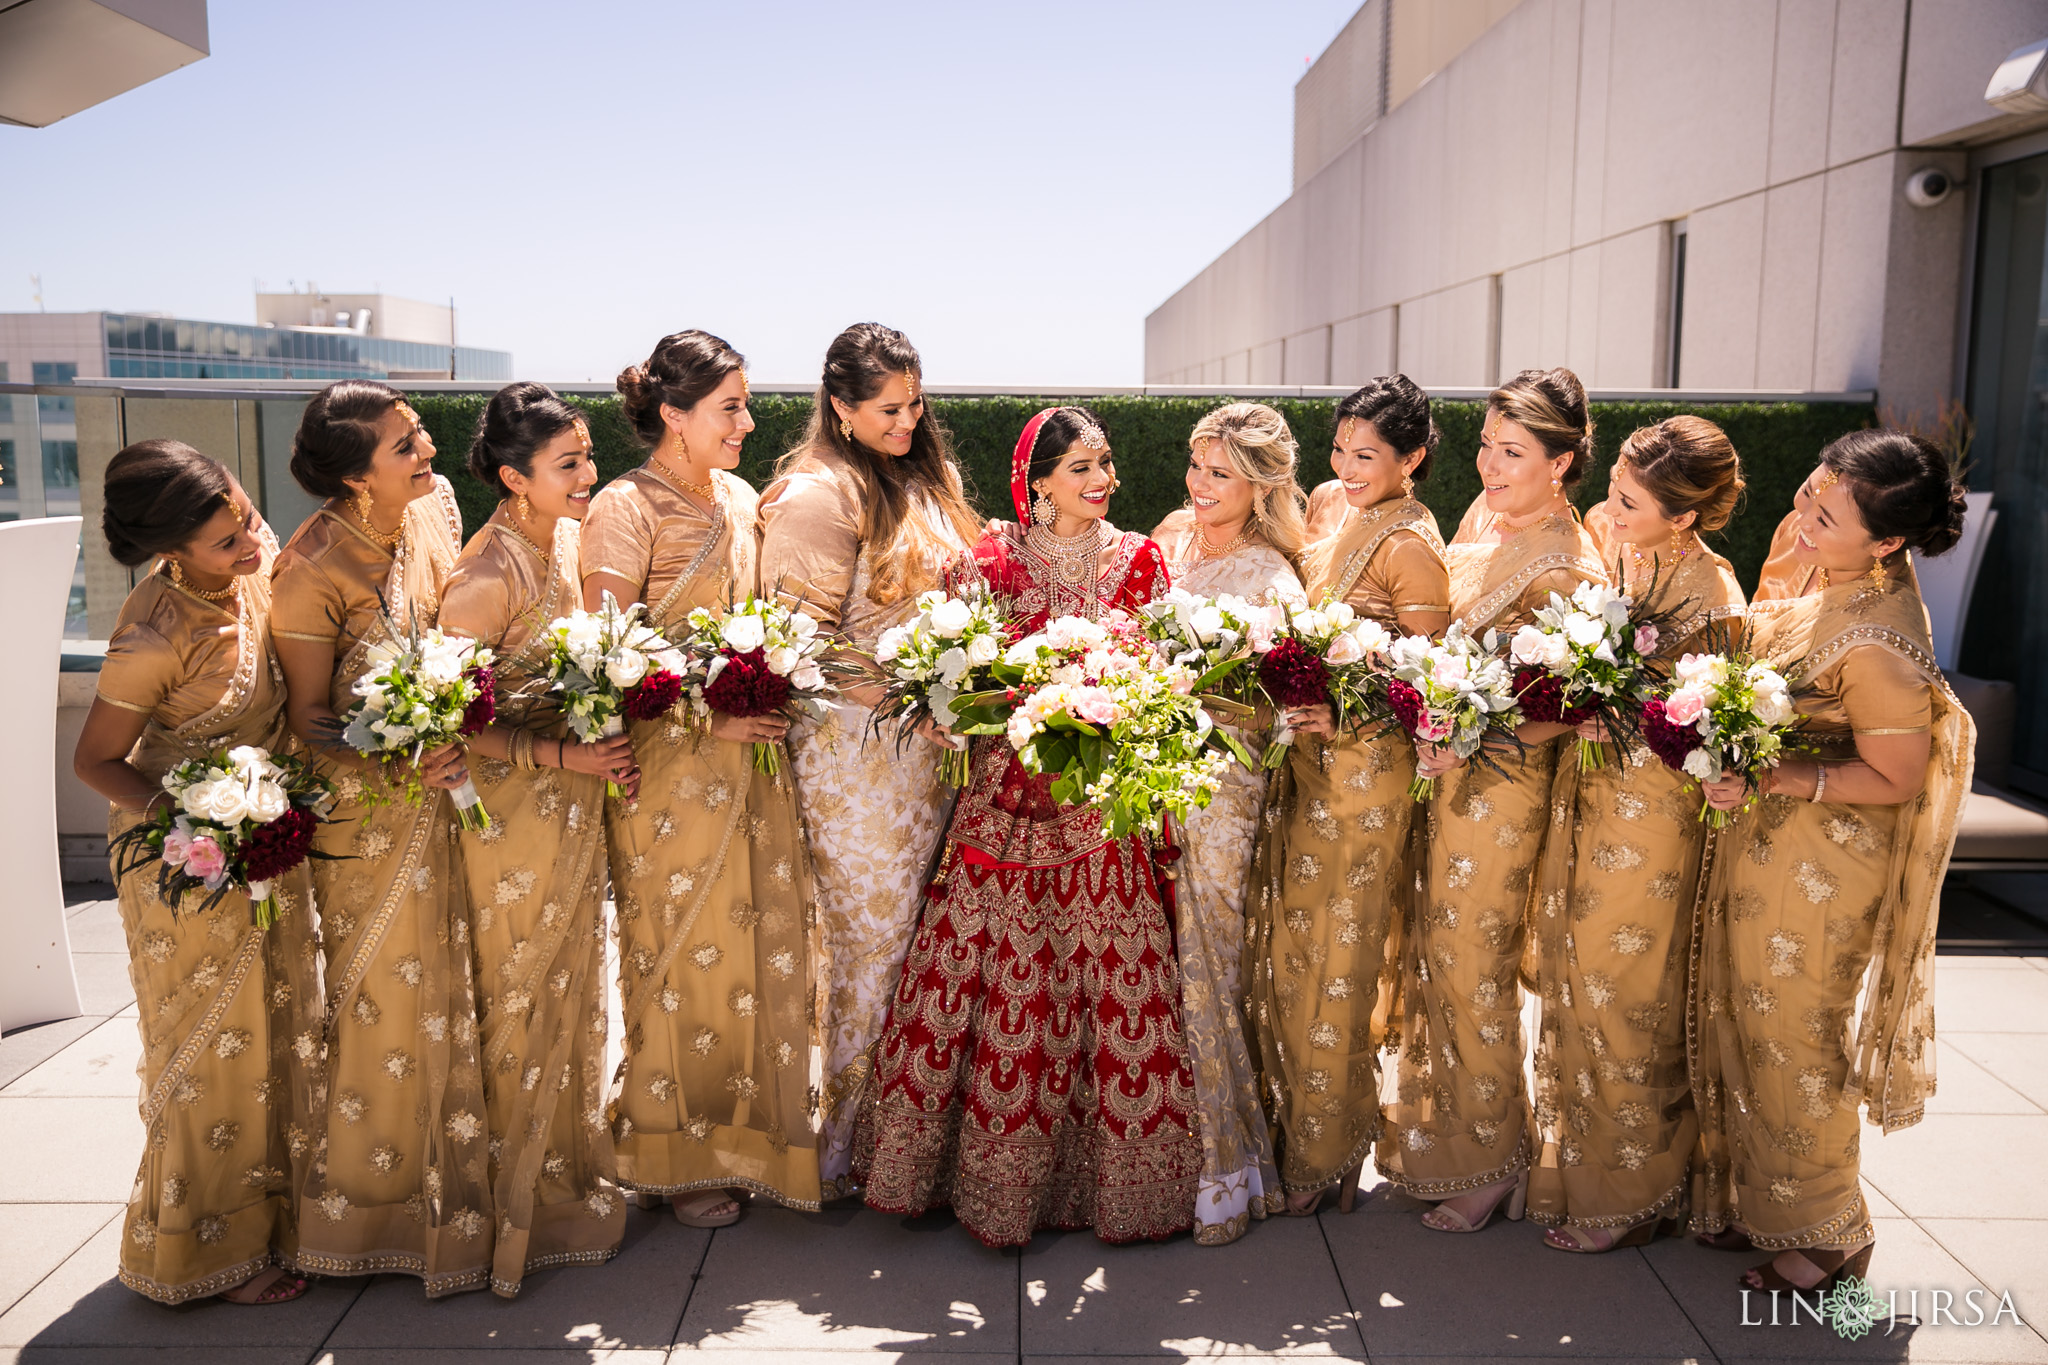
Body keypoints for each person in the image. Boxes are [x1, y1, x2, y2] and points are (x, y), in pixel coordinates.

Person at [854, 406, 1204, 1246]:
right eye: (1081, 467)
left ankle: (1124, 1187)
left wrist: (1120, 704)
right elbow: (956, 669)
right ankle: (969, 1180)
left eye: (1106, 464)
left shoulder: (1140, 558)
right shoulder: (990, 559)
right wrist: (983, 708)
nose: (1102, 480)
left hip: (1101, 798)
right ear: (1038, 480)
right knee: (996, 968)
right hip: (1003, 801)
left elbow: (1163, 668)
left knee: (1110, 974)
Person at [1693, 431, 1971, 1296]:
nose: (1803, 514)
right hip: (1775, 844)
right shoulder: (1838, 574)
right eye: (1811, 489)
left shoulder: (1881, 640)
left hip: (1825, 863)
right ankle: (1778, 1205)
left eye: (1826, 510)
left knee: (1796, 1038)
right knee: (1752, 1028)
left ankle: (1831, 1237)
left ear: (1887, 541)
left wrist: (1778, 771)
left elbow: (1896, 774)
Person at [583, 332, 821, 1224]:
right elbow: (605, 655)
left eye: (747, 402)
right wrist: (705, 712)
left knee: (760, 944)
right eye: (730, 407)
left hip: (752, 755)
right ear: (673, 417)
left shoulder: (738, 495)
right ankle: (673, 1152)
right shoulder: (623, 507)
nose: (747, 422)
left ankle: (753, 1133)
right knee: (679, 954)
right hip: (671, 763)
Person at [73, 443, 317, 1305]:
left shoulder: (252, 563)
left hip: (263, 837)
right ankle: (205, 1252)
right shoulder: (154, 631)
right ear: (171, 550)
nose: (254, 545)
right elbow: (96, 760)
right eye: (227, 542)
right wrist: (195, 826)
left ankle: (280, 1219)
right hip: (181, 858)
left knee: (281, 1031)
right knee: (211, 1050)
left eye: (247, 517)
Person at [269, 380, 493, 1296]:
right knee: (380, 1008)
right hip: (363, 819)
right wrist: (405, 749)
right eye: (404, 443)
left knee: (455, 992)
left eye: (417, 431)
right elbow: (310, 721)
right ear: (355, 476)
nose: (427, 447)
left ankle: (456, 1204)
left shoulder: (434, 509)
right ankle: (362, 1220)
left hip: (449, 799)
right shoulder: (309, 569)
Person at [1377, 367, 1606, 1233]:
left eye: (1513, 451)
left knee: (1476, 965)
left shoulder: (1567, 566)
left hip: (1506, 796)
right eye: (1485, 445)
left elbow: (1578, 707)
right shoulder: (1483, 523)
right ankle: (1463, 1141)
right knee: (1441, 959)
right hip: (1449, 781)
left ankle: (1497, 1160)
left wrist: (1473, 734)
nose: (1489, 465)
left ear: (1563, 461)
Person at [757, 323, 982, 1194]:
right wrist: (907, 700)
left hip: (932, 750)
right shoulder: (817, 494)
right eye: (889, 408)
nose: (908, 419)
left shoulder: (915, 479)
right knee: (875, 944)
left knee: (931, 941)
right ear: (841, 408)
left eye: (916, 403)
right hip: (858, 757)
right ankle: (853, 1142)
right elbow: (799, 644)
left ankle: (918, 1141)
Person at [1524, 417, 1748, 1251]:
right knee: (1581, 984)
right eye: (1613, 490)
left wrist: (1620, 705)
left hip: (1656, 821)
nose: (1608, 509)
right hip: (1590, 797)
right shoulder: (1619, 551)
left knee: (1630, 994)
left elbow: (1717, 731)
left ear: (1684, 516)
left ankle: (1634, 1193)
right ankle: (1592, 1169)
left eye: (1627, 498)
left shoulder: (1715, 595)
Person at [437, 383, 627, 1293]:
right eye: (568, 464)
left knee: (569, 990)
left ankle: (563, 1181)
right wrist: (562, 751)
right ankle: (507, 1211)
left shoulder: (555, 548)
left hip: (566, 805)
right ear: (514, 478)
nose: (589, 475)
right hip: (505, 815)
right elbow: (449, 723)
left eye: (588, 458)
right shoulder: (483, 578)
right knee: (513, 995)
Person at [1252, 376, 1451, 1216]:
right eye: (1340, 448)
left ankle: (1329, 1152)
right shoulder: (1334, 505)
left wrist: (1347, 688)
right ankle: (1297, 1128)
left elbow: (1428, 685)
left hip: (1369, 780)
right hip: (1308, 762)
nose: (1345, 466)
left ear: (1413, 459)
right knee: (1294, 950)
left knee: (1341, 956)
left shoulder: (1412, 546)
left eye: (1367, 455)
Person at [1149, 402, 1306, 1244]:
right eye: (1196, 465)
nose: (1200, 485)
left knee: (1208, 958)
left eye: (1221, 474)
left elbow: (1272, 709)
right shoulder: (1169, 546)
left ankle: (1225, 1173)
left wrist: (1192, 700)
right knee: (1154, 967)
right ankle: (1149, 1158)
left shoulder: (1270, 578)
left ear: (1261, 485)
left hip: (1219, 790)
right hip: (1147, 782)